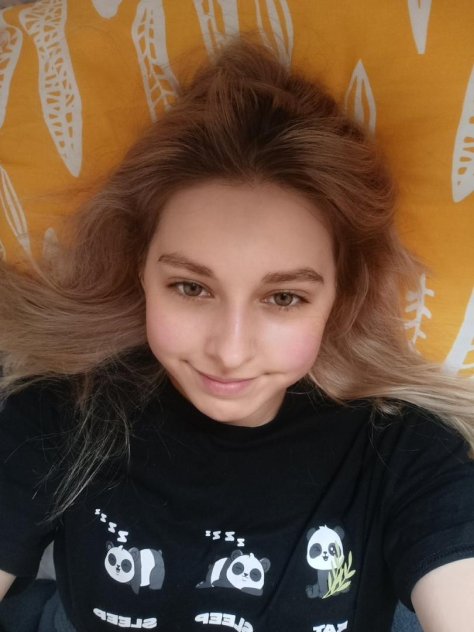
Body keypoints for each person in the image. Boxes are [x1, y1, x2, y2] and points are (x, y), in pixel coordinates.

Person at [0, 34, 473, 632]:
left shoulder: (404, 453)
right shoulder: (57, 418)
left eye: (284, 298)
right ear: (140, 270)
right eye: (191, 287)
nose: (229, 350)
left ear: (339, 296)